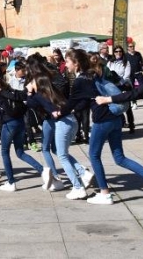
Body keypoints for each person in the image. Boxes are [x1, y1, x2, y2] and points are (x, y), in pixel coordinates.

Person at [62, 49, 143, 205]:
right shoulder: (94, 75)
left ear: (76, 63)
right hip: (115, 118)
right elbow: (86, 101)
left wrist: (59, 112)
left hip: (102, 120)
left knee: (93, 155)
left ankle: (105, 193)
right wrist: (74, 109)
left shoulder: (81, 80)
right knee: (120, 158)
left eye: (67, 62)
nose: (65, 65)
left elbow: (73, 101)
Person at [0, 69, 51, 193]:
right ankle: (43, 170)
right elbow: (20, 96)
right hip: (20, 122)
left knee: (5, 152)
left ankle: (11, 182)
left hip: (8, 124)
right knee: (20, 152)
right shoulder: (7, 88)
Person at [25, 70, 93, 199]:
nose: (30, 83)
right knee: (62, 153)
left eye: (32, 81)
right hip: (71, 121)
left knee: (62, 156)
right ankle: (83, 173)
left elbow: (30, 104)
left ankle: (78, 187)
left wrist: (29, 92)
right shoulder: (52, 92)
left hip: (63, 123)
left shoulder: (40, 94)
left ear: (38, 83)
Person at [126, 40, 143, 107]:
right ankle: (134, 103)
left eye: (133, 46)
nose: (132, 48)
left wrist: (142, 67)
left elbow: (141, 62)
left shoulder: (138, 54)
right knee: (132, 88)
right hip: (130, 74)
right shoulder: (126, 55)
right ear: (128, 47)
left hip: (139, 73)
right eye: (130, 46)